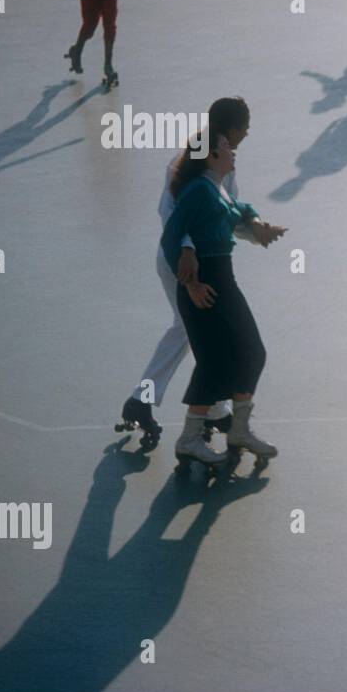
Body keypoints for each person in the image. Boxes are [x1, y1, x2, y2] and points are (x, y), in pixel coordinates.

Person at [117, 100, 257, 444]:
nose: (248, 133)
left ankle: (165, 403)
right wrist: (187, 252)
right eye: (245, 127)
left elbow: (225, 214)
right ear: (231, 130)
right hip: (182, 263)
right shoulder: (193, 161)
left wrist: (256, 228)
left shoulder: (221, 163)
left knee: (192, 330)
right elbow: (170, 211)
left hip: (199, 262)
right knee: (202, 331)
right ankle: (187, 407)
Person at [160, 98, 288, 466]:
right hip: (206, 283)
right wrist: (192, 285)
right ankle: (189, 438)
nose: (234, 151)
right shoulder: (198, 189)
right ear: (211, 156)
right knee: (215, 361)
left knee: (251, 352)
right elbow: (172, 237)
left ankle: (239, 429)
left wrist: (260, 222)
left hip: (222, 279)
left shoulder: (216, 187)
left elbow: (238, 209)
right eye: (227, 148)